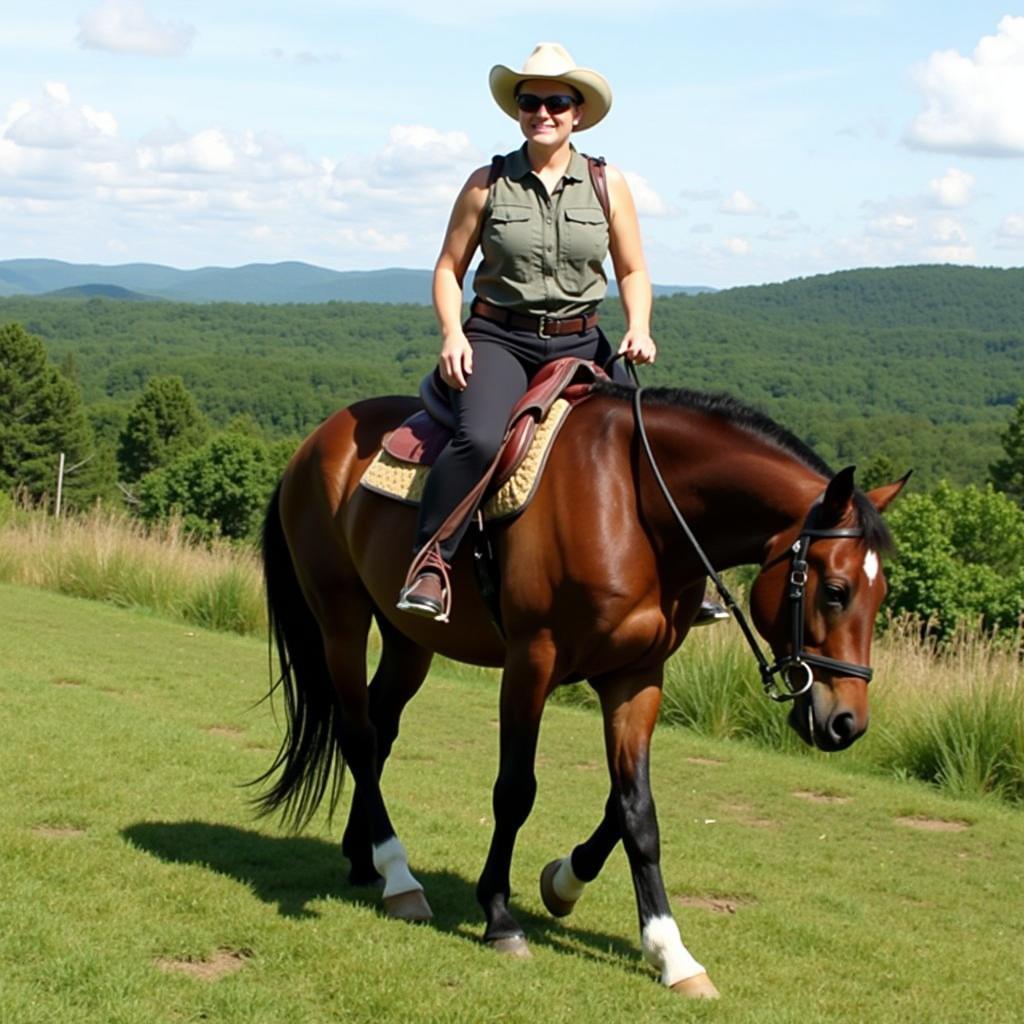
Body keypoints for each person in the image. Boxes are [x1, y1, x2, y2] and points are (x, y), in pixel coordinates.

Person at [397, 42, 727, 629]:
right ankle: (432, 562)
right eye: (530, 101)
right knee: (478, 438)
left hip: (585, 340)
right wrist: (453, 333)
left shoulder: (606, 184)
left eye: (556, 102)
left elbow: (631, 269)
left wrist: (641, 326)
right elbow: (449, 268)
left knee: (653, 439)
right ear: (518, 109)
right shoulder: (486, 183)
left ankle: (685, 580)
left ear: (577, 112)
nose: (542, 112)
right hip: (501, 339)